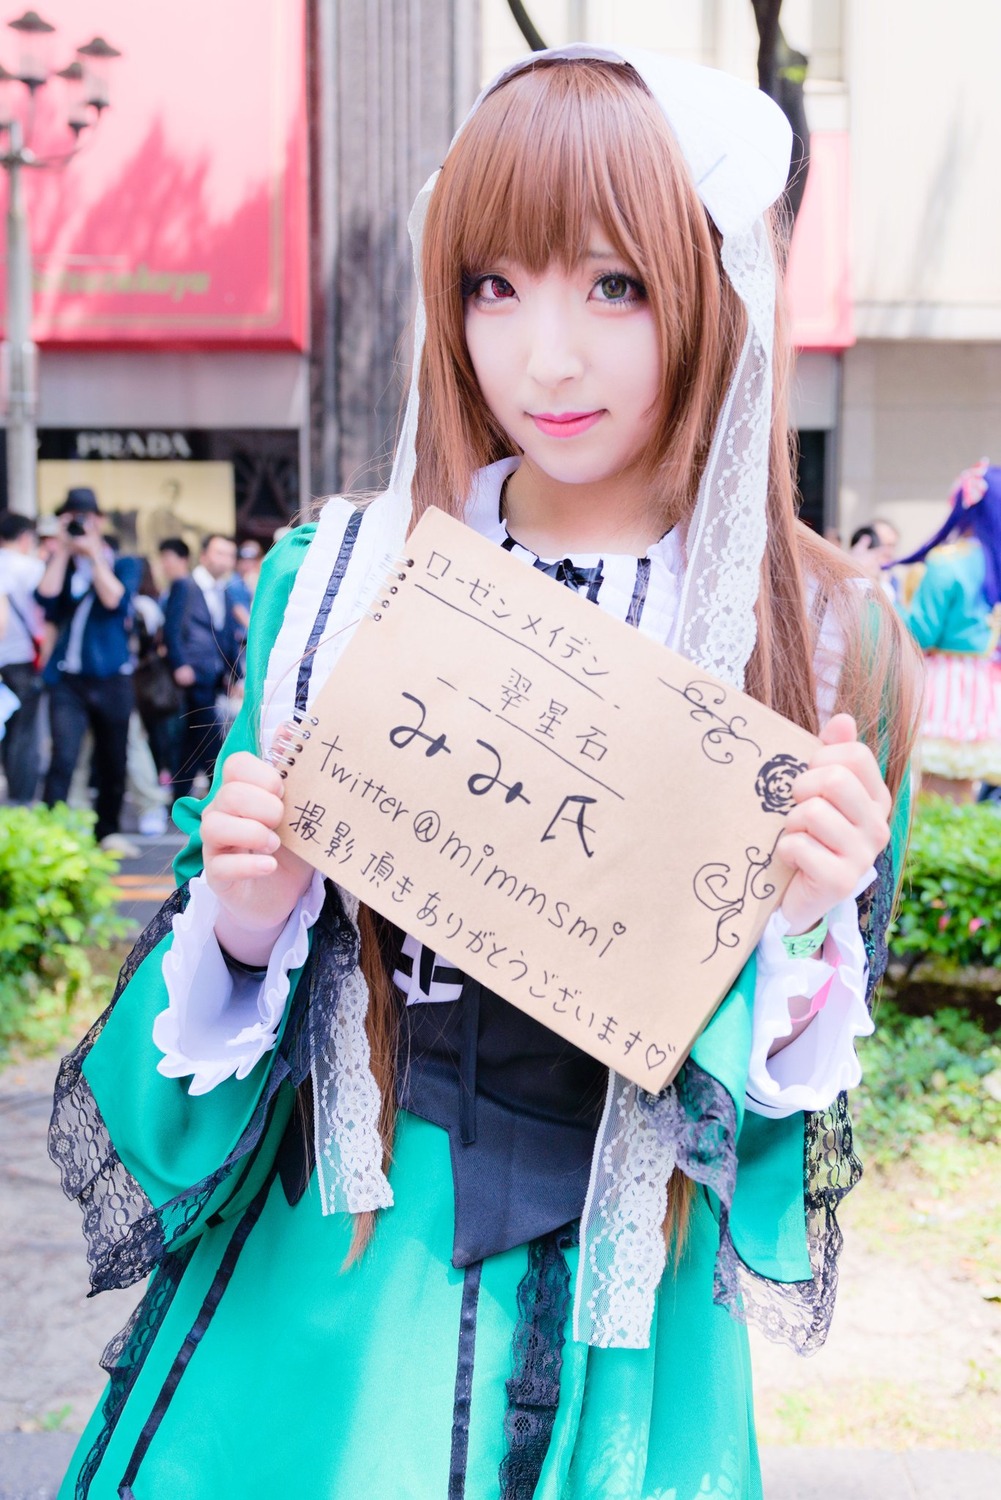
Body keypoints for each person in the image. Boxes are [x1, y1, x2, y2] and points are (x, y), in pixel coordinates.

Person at [51, 49, 919, 1500]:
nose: (545, 358)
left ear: (714, 288)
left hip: (631, 1326)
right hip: (338, 1295)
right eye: (493, 286)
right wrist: (249, 917)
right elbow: (205, 1047)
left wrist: (803, 923)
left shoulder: (821, 636)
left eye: (614, 286)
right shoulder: (336, 582)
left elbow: (777, 1128)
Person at [35, 489, 141, 848]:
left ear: (100, 520)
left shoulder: (124, 562)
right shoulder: (60, 564)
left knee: (113, 757)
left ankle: (107, 830)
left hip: (112, 676)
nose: (82, 522)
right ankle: (51, 831)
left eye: (87, 516)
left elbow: (113, 598)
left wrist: (94, 555)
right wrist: (63, 550)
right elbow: (46, 596)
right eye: (73, 517)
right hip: (68, 678)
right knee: (63, 754)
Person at [894, 459, 1001, 801]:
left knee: (929, 795)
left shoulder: (947, 562)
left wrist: (889, 600)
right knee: (963, 795)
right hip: (983, 684)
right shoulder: (992, 563)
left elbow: (921, 633)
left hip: (943, 682)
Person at [161, 533, 241, 804]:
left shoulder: (224, 590)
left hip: (215, 675)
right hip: (192, 674)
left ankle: (180, 796)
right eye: (220, 553)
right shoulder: (185, 585)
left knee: (193, 739)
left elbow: (227, 635)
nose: (225, 560)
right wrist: (180, 664)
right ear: (204, 554)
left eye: (230, 554)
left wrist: (235, 675)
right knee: (208, 736)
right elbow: (172, 629)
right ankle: (220, 792)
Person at [0, 512, 44, 803]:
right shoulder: (32, 568)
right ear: (25, 537)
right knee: (24, 735)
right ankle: (20, 802)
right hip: (21, 662)